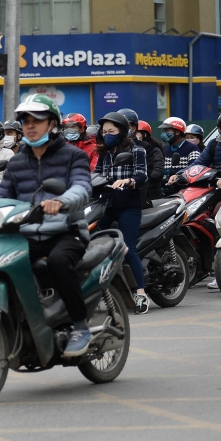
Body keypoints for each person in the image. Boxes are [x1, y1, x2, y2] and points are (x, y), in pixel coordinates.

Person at [0, 95, 94, 356]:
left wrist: (63, 201)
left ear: (53, 124)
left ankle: (80, 326)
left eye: (37, 120)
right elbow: (2, 195)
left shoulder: (73, 156)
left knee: (58, 262)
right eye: (26, 121)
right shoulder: (18, 161)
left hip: (66, 231)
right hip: (26, 232)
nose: (30, 126)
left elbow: (82, 187)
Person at [96, 112, 150, 314]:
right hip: (106, 206)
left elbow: (141, 174)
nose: (107, 134)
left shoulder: (137, 150)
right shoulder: (104, 152)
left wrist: (128, 181)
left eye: (111, 131)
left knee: (128, 248)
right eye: (104, 131)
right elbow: (97, 174)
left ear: (122, 131)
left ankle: (141, 293)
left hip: (129, 206)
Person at [160, 117, 200, 186]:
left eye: (167, 131)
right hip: (166, 189)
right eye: (164, 131)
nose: (164, 134)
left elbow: (194, 169)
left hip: (184, 189)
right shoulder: (164, 149)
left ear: (177, 132)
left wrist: (178, 176)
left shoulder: (192, 148)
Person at [137, 120, 165, 202]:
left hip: (152, 195)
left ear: (144, 134)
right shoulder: (129, 149)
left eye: (136, 133)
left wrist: (140, 179)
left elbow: (158, 171)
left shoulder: (154, 150)